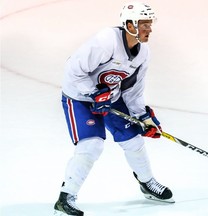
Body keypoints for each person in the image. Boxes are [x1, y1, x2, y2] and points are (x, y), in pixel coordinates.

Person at [53, 2, 174, 216]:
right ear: (129, 24)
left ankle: (147, 183)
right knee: (92, 145)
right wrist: (92, 92)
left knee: (133, 140)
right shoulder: (105, 41)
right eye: (143, 24)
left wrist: (143, 117)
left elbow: (133, 90)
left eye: (149, 23)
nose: (149, 29)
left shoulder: (143, 53)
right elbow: (73, 71)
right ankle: (66, 197)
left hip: (111, 97)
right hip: (79, 98)